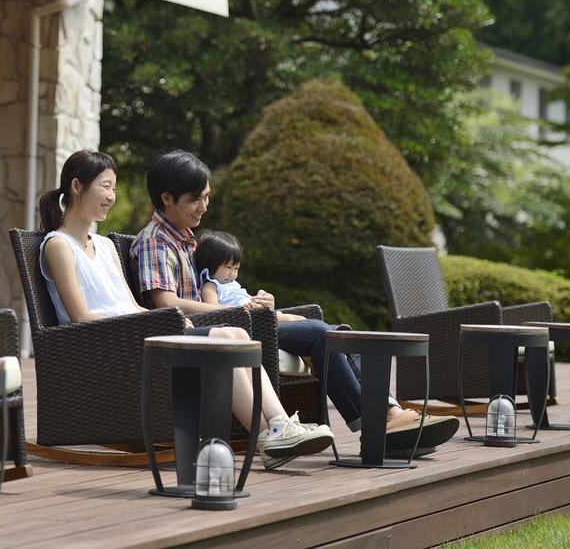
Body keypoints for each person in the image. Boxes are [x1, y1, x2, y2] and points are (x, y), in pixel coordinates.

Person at [129, 150, 459, 456]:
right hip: (215, 329)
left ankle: (387, 414)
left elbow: (216, 286)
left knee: (334, 332)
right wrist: (235, 310)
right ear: (167, 198)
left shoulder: (187, 240)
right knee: (318, 333)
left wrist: (256, 301)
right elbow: (166, 302)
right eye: (194, 199)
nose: (204, 206)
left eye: (206, 197)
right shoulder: (155, 242)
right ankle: (379, 419)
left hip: (233, 321)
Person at [37, 149, 334, 470]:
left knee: (236, 333)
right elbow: (81, 316)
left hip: (138, 334)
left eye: (114, 188)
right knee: (225, 334)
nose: (111, 196)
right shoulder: (58, 245)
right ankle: (269, 436)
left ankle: (275, 428)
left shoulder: (106, 246)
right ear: (78, 186)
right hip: (107, 345)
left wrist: (164, 321)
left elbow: (132, 305)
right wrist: (155, 324)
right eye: (105, 187)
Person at [195, 230, 305, 322]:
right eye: (228, 267)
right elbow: (213, 310)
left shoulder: (233, 284)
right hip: (246, 320)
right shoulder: (210, 285)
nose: (232, 273)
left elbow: (246, 298)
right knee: (295, 320)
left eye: (236, 268)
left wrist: (258, 299)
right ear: (210, 264)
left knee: (301, 320)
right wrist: (242, 309)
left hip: (256, 314)